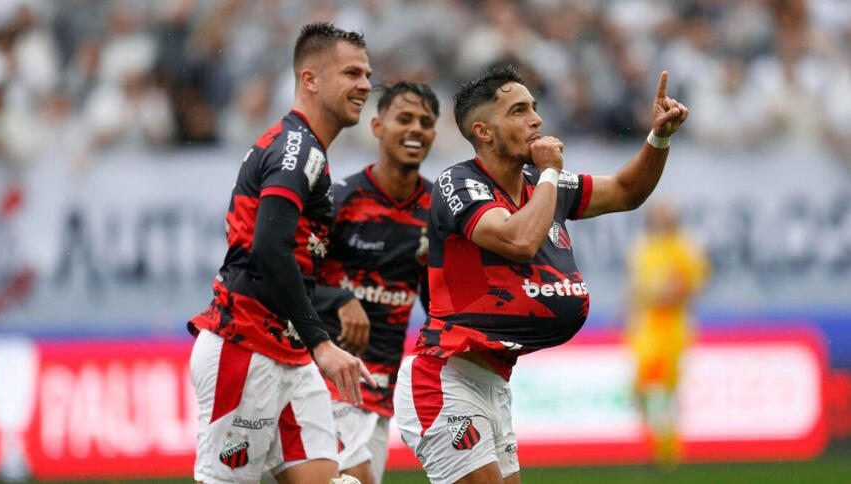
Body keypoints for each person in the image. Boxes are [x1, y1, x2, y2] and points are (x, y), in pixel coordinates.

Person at [393, 65, 689, 484]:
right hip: (444, 378)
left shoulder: (541, 182)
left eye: (534, 107)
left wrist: (659, 137)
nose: (537, 119)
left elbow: (626, 191)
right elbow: (518, 241)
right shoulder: (459, 183)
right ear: (484, 132)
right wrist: (550, 172)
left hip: (493, 381)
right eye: (519, 110)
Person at [186, 23, 376, 484]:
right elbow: (269, 249)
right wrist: (322, 343)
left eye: (368, 75)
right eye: (351, 73)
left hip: (288, 352)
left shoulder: (306, 151)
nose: (366, 85)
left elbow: (292, 260)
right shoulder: (298, 150)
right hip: (245, 346)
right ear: (310, 79)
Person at [312, 81, 440, 484]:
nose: (416, 129)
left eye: (426, 122)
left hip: (382, 384)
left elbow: (438, 299)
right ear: (378, 126)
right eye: (404, 119)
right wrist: (340, 299)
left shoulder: (438, 211)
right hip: (328, 377)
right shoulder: (339, 199)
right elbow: (287, 280)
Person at [625, 202, 710, 470]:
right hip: (646, 323)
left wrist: (674, 293)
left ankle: (668, 451)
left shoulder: (684, 247)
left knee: (665, 388)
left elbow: (694, 284)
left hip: (671, 324)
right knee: (642, 388)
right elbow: (635, 286)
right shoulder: (643, 247)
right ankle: (658, 445)